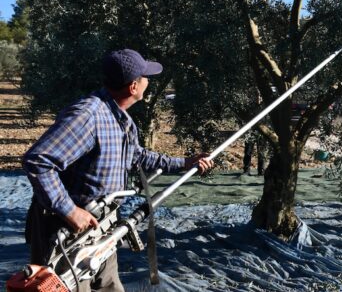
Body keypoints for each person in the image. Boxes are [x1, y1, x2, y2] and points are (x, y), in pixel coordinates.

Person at [23, 49, 213, 291]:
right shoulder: (87, 116)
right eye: (146, 78)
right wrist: (70, 210)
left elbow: (136, 156)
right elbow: (38, 161)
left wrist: (184, 163)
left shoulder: (121, 120)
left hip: (101, 229)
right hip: (66, 232)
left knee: (109, 286)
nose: (149, 83)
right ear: (134, 87)